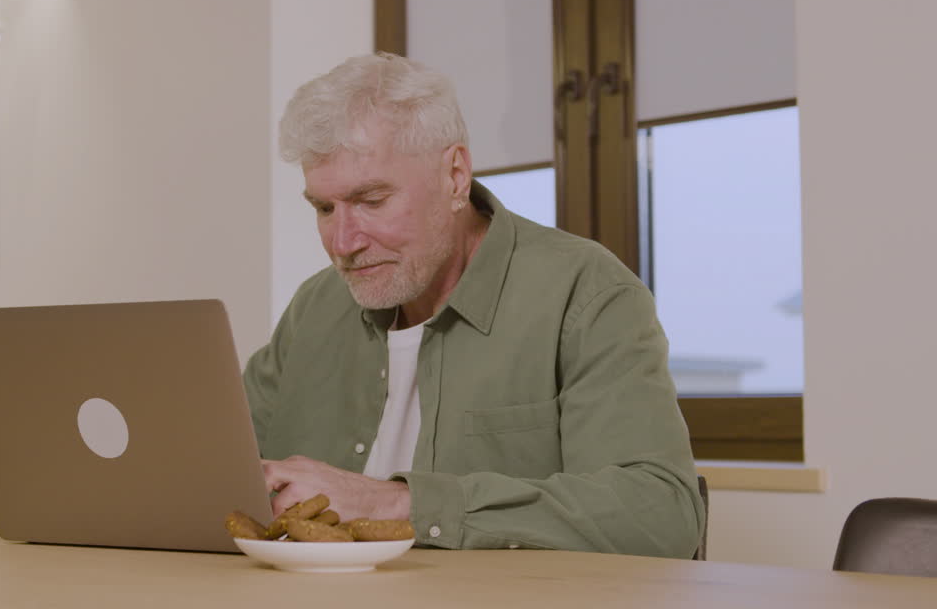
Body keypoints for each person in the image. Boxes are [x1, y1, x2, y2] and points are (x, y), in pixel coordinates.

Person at [243, 52, 704, 557]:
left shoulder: (585, 292)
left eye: (372, 201)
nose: (343, 242)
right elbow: (222, 470)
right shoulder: (315, 305)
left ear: (456, 176)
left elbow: (662, 515)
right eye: (324, 208)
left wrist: (398, 504)